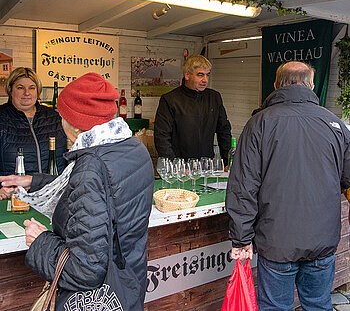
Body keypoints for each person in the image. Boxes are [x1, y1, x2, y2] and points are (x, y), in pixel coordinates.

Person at [0, 72, 154, 308]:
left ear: (71, 122)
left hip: (99, 298)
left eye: (62, 115)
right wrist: (34, 181)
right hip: (129, 279)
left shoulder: (90, 165)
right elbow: (101, 192)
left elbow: (85, 269)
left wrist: (41, 240)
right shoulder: (133, 146)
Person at [225, 61, 350, 310]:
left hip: (276, 243)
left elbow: (243, 187)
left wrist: (241, 240)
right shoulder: (335, 125)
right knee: (318, 305)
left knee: (275, 307)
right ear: (311, 85)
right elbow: (347, 179)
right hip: (322, 241)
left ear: (276, 85)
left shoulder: (259, 123)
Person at [154, 54, 231, 163]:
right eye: (200, 75)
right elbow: (161, 137)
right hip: (179, 167)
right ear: (187, 75)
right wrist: (174, 166)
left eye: (207, 75)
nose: (205, 80)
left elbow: (224, 131)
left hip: (207, 165)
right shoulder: (170, 100)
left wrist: (228, 161)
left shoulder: (214, 97)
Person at [0, 67, 66, 188]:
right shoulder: (2, 118)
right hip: (15, 196)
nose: (27, 93)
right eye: (20, 88)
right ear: (10, 90)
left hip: (53, 193)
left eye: (32, 88)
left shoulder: (53, 117)